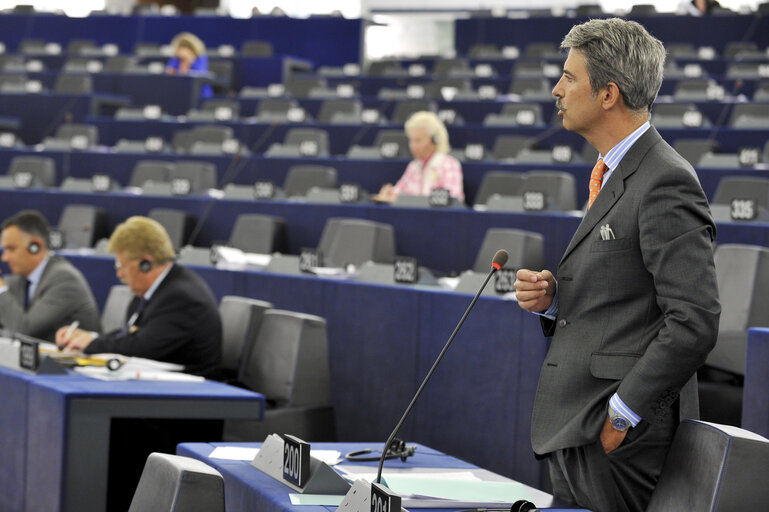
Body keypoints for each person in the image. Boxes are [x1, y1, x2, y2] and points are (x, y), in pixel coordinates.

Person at [512, 18, 720, 512]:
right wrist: (555, 298)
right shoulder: (613, 170)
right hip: (577, 424)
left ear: (608, 94)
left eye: (569, 77)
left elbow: (694, 320)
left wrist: (620, 417)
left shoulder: (665, 179)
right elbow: (626, 291)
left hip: (617, 437)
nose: (556, 89)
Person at [56, 216, 222, 378]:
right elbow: (130, 336)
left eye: (122, 265)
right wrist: (90, 337)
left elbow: (141, 347)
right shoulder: (155, 291)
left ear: (146, 264)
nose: (119, 273)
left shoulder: (182, 298)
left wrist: (91, 344)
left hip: (190, 392)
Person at [0, 210, 101, 342]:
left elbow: (24, 330)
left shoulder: (65, 279)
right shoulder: (19, 278)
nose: (4, 258)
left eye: (11, 249)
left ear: (35, 246)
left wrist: (0, 289)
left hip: (74, 360)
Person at [374, 111, 464, 203]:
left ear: (435, 140)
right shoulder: (413, 166)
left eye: (418, 140)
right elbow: (398, 194)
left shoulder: (449, 165)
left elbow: (454, 201)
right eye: (411, 140)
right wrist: (389, 194)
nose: (412, 146)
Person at [165, 32, 213, 99]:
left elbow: (199, 75)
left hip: (199, 93)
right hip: (179, 91)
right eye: (180, 48)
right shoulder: (176, 59)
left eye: (185, 48)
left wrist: (189, 60)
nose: (182, 51)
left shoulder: (200, 58)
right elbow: (169, 72)